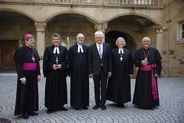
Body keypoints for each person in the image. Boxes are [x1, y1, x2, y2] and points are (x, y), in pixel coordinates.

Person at [14, 34, 41, 119]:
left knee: (32, 93)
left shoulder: (35, 50)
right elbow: (18, 64)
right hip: (25, 76)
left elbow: (37, 64)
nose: (33, 41)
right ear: (26, 41)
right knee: (24, 93)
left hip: (33, 75)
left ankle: (31, 110)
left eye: (33, 40)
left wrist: (38, 74)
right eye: (31, 40)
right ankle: (24, 112)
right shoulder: (20, 50)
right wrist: (21, 76)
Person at [133, 36, 162, 109]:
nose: (146, 42)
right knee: (141, 88)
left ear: (150, 42)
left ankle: (151, 104)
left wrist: (157, 72)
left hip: (151, 73)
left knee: (151, 88)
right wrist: (141, 62)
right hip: (141, 73)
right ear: (142, 43)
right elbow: (135, 62)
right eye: (145, 41)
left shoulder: (154, 51)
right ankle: (140, 103)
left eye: (148, 41)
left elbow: (159, 62)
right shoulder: (138, 51)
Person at [43, 33, 68, 114]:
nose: (56, 40)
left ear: (60, 40)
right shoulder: (48, 49)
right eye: (54, 39)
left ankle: (61, 105)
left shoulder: (64, 49)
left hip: (60, 73)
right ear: (52, 40)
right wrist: (52, 66)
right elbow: (45, 61)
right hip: (51, 74)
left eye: (57, 39)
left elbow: (67, 61)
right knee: (51, 89)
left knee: (61, 89)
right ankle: (50, 107)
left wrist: (62, 65)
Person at [106, 37, 133, 107]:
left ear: (124, 43)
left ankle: (122, 101)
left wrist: (131, 72)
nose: (121, 42)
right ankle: (116, 100)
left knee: (124, 86)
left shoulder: (128, 52)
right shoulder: (112, 51)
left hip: (125, 73)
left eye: (122, 41)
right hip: (115, 73)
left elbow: (130, 63)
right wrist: (109, 71)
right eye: (119, 41)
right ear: (116, 43)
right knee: (115, 86)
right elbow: (110, 62)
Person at [89, 31, 112, 110]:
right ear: (95, 38)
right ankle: (97, 103)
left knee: (103, 88)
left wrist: (110, 70)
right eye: (98, 37)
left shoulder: (107, 46)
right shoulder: (91, 47)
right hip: (95, 71)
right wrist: (90, 72)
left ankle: (103, 103)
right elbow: (90, 60)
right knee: (96, 87)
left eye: (100, 37)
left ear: (103, 38)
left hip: (105, 70)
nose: (99, 39)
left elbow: (110, 59)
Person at [68, 33, 89, 110]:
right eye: (79, 38)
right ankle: (76, 104)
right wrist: (69, 72)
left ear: (84, 39)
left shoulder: (87, 48)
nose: (80, 39)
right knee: (76, 88)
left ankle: (84, 104)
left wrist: (89, 72)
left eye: (82, 38)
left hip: (84, 71)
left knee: (85, 87)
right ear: (76, 39)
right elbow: (69, 61)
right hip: (75, 72)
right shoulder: (72, 48)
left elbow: (89, 60)